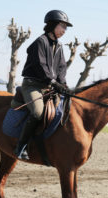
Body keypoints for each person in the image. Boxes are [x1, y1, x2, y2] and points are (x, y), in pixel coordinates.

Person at [13, 10, 72, 160]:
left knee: (63, 111)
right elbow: (41, 65)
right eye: (62, 26)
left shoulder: (59, 47)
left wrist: (63, 84)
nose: (64, 30)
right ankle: (21, 146)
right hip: (32, 86)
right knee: (38, 113)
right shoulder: (40, 42)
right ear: (52, 25)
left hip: (49, 87)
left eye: (66, 28)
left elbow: (61, 68)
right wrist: (53, 82)